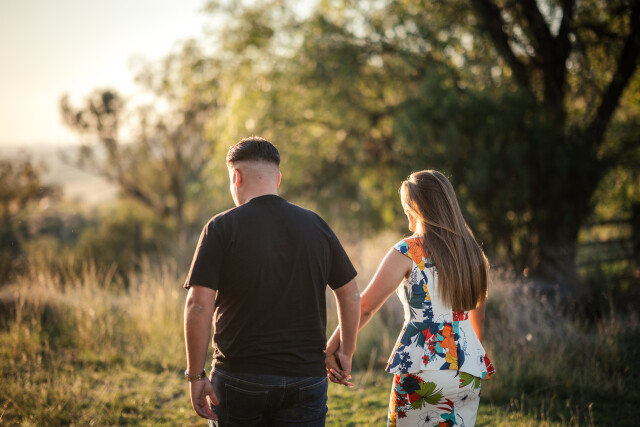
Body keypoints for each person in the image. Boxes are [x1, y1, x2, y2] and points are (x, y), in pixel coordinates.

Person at [183, 136, 360, 426]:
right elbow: (351, 295)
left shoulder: (221, 226)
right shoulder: (316, 225)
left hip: (239, 376)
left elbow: (198, 305)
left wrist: (195, 375)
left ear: (236, 177)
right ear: (277, 179)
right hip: (306, 378)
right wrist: (345, 351)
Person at [326, 170, 495, 426]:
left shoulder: (408, 250)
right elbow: (476, 314)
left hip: (423, 367)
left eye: (407, 207)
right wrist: (464, 355)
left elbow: (365, 307)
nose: (407, 218)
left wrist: (331, 347)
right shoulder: (472, 252)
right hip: (469, 367)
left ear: (417, 206)